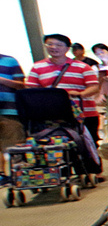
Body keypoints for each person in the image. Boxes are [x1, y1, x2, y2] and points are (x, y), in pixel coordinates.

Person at [26, 33, 102, 169]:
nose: (53, 47)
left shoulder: (82, 67)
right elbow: (32, 89)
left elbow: (94, 87)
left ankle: (92, 171)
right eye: (50, 44)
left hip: (84, 112)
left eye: (59, 45)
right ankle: (62, 173)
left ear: (67, 48)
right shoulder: (38, 67)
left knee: (89, 142)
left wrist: (80, 94)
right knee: (57, 143)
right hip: (53, 115)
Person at [0, 52, 26, 180]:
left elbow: (21, 85)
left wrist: (2, 80)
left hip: (9, 110)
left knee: (14, 145)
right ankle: (2, 176)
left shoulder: (9, 61)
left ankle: (19, 176)